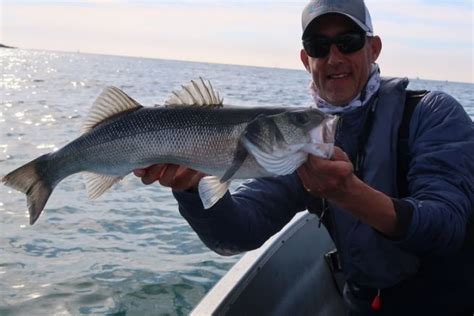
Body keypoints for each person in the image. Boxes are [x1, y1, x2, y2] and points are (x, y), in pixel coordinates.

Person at [134, 0, 474, 314]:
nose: (334, 57)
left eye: (349, 41)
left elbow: (446, 225)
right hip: (361, 303)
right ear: (304, 59)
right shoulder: (298, 139)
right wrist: (191, 191)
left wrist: (349, 193)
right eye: (318, 46)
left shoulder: (432, 114)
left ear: (373, 48)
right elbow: (237, 233)